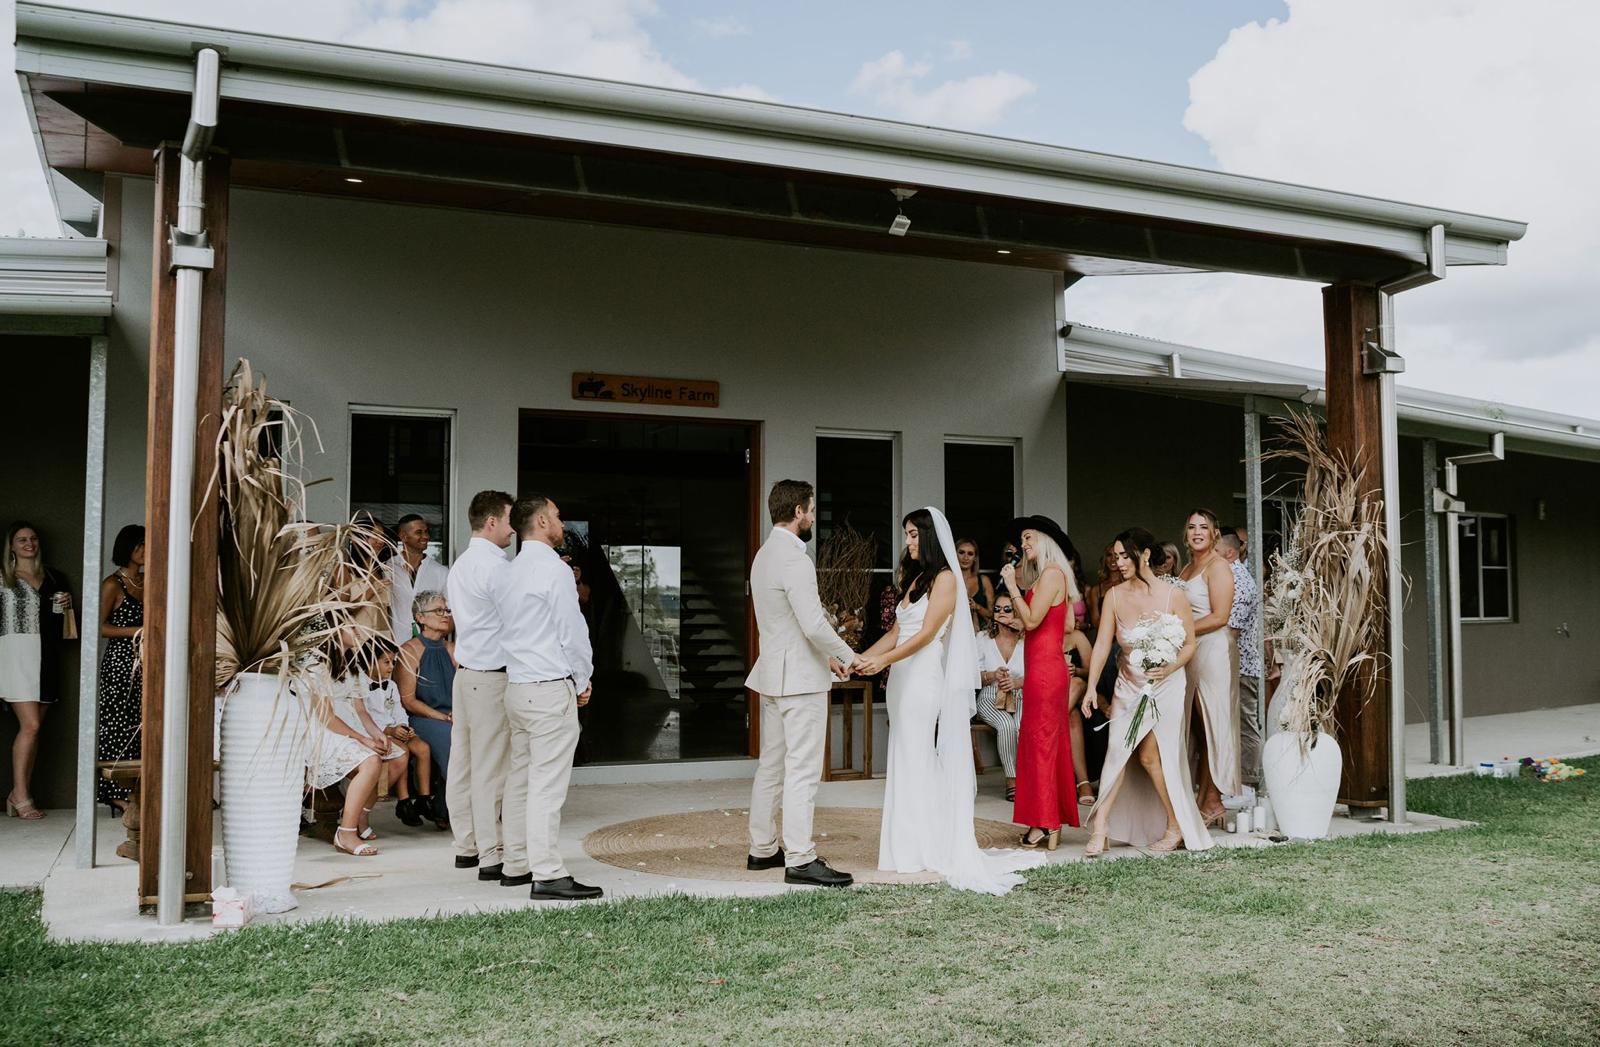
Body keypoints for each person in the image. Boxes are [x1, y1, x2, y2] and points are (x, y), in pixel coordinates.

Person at [854, 507, 1042, 894]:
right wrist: (860, 660)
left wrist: (883, 662)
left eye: (912, 534)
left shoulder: (945, 579)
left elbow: (925, 635)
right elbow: (897, 631)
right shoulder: (917, 578)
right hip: (901, 678)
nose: (908, 541)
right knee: (904, 756)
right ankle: (905, 846)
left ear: (927, 536)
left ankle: (926, 845)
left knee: (918, 756)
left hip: (922, 677)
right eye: (907, 534)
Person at [744, 480, 857, 888]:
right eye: (810, 510)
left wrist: (827, 655)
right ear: (797, 512)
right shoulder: (795, 558)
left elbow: (789, 624)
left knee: (771, 766)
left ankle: (762, 849)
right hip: (800, 682)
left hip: (773, 676)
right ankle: (801, 858)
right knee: (803, 770)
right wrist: (848, 654)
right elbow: (812, 623)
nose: (812, 517)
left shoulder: (762, 555)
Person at [1080, 527, 1213, 857]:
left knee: (1151, 757)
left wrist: (1168, 668)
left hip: (1165, 685)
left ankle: (1175, 825)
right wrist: (1092, 687)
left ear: (1145, 555)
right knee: (1117, 752)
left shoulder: (1173, 595)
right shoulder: (1113, 596)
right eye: (1116, 556)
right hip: (1128, 685)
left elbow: (1189, 645)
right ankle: (1100, 826)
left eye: (1125, 555)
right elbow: (1102, 645)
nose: (1119, 562)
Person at [495, 495, 600, 900]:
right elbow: (571, 631)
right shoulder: (554, 570)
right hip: (548, 688)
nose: (562, 523)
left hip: (517, 687)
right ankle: (549, 872)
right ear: (541, 521)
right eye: (556, 516)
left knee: (520, 781)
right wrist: (583, 678)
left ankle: (516, 863)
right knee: (547, 785)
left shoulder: (510, 571)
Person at [444, 490, 517, 880]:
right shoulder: (497, 567)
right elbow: (516, 621)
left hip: (466, 674)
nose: (513, 529)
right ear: (492, 522)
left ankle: (466, 846)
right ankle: (491, 854)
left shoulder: (460, 564)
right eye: (509, 520)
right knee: (491, 768)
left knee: (463, 763)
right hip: (491, 677)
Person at [999, 514, 1083, 849]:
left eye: (1029, 538)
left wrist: (1011, 588)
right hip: (1044, 668)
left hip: (1045, 672)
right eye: (1022, 540)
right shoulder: (1054, 576)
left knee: (1041, 745)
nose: (1023, 545)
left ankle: (1045, 822)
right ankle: (1048, 818)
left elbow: (1033, 621)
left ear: (1045, 541)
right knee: (1043, 744)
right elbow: (1062, 626)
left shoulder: (1050, 573)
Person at [2, 522, 73, 820]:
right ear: (11, 546)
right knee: (30, 725)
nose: (29, 543)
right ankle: (21, 795)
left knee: (35, 729)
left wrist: (67, 606)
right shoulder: (3, 577)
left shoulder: (54, 577)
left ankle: (17, 793)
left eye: (33, 538)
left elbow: (63, 624)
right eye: (21, 539)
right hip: (15, 654)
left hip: (47, 655)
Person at [1177, 509, 1240, 824]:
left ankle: (1214, 799)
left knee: (1214, 721)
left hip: (1213, 650)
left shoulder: (1218, 567)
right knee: (1198, 727)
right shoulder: (1188, 568)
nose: (1197, 532)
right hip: (1190, 650)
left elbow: (1220, 616)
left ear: (1215, 533)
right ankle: (1204, 795)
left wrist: (1178, 630)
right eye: (1192, 527)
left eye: (1204, 527)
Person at [304, 651, 387, 857]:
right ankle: (346, 833)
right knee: (371, 761)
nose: (359, 635)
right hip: (320, 728)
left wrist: (377, 734)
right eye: (354, 632)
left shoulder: (353, 665)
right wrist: (362, 739)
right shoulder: (315, 665)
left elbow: (360, 710)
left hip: (348, 724)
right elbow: (326, 717)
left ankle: (356, 821)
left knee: (378, 759)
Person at [358, 636, 437, 828]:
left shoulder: (391, 685)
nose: (391, 667)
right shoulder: (359, 685)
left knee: (423, 748)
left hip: (395, 729)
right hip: (376, 732)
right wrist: (389, 730)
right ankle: (404, 800)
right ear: (370, 661)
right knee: (403, 750)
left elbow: (398, 710)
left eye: (393, 662)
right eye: (386, 662)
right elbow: (363, 716)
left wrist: (403, 726)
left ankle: (424, 798)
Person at [95, 524, 145, 813]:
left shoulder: (150, 580)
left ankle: (138, 790)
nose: (145, 550)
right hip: (120, 661)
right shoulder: (113, 584)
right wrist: (137, 631)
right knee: (116, 723)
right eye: (139, 544)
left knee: (142, 723)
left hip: (148, 661)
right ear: (127, 548)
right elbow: (99, 627)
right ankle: (115, 794)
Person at [395, 589, 455, 827]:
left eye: (447, 610)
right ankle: (457, 808)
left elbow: (465, 689)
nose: (445, 615)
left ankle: (444, 807)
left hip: (453, 715)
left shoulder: (452, 649)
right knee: (453, 739)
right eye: (439, 611)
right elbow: (408, 700)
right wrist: (442, 717)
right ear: (420, 617)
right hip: (422, 718)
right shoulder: (410, 650)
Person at [1217, 530, 1264, 788]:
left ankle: (1248, 782)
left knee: (1245, 724)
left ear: (1229, 552)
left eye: (1215, 551)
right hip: (1228, 664)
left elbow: (1231, 631)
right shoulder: (1226, 579)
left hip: (1241, 665)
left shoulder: (1241, 583)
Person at [976, 594, 1025, 801]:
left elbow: (1038, 673)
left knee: (1022, 726)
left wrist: (1017, 682)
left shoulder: (1026, 640)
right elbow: (973, 676)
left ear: (1017, 612)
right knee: (1006, 725)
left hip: (1021, 694)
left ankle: (1027, 778)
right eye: (997, 609)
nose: (1001, 613)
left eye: (1007, 609)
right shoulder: (983, 638)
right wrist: (992, 675)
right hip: (990, 694)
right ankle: (1012, 780)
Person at [387, 514, 449, 645]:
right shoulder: (388, 567)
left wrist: (436, 636)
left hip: (430, 646)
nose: (426, 536)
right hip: (396, 645)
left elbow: (450, 612)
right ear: (403, 536)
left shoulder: (441, 572)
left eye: (426, 532)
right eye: (419, 532)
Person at [955, 538, 995, 630]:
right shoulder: (947, 579)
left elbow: (993, 614)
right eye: (961, 552)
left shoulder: (984, 581)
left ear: (975, 558)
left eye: (970, 554)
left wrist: (977, 607)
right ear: (954, 554)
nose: (965, 557)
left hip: (980, 633)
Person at [1085, 543, 1119, 634]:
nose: (1113, 559)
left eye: (1116, 555)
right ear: (1105, 559)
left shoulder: (1129, 584)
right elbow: (1095, 621)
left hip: (1127, 637)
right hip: (1104, 636)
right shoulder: (1096, 590)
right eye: (1109, 555)